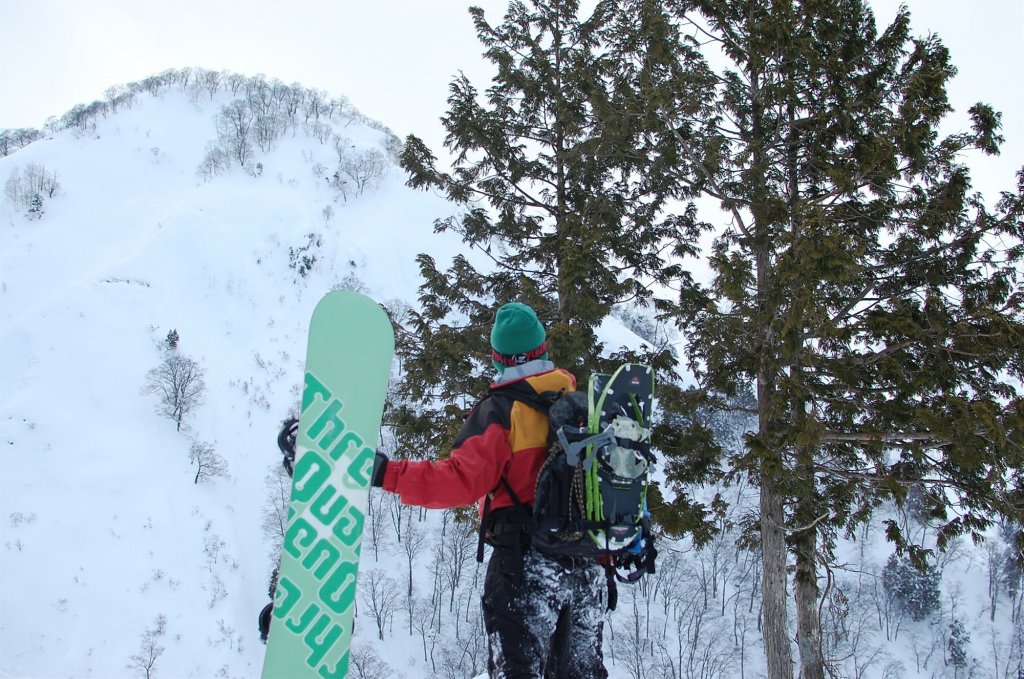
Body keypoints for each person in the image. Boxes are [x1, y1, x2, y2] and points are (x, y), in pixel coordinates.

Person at [371, 302, 608, 679]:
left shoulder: (502, 411)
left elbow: (458, 480)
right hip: (586, 570)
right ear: (543, 349)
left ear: (498, 358)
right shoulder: (583, 405)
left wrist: (387, 473)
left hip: (525, 571)